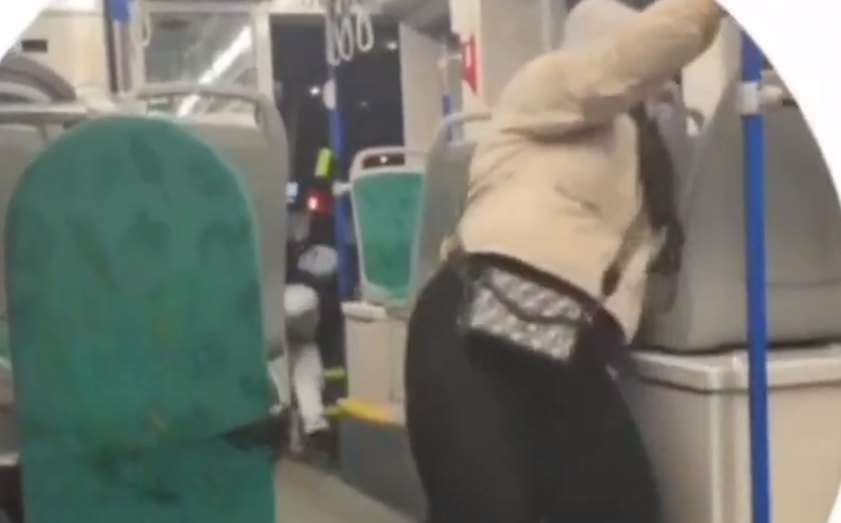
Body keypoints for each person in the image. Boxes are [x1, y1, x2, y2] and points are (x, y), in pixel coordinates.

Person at [404, 0, 724, 522]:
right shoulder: (546, 87)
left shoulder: (652, 157)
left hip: (565, 341)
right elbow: (618, 66)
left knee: (627, 509)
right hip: (478, 320)